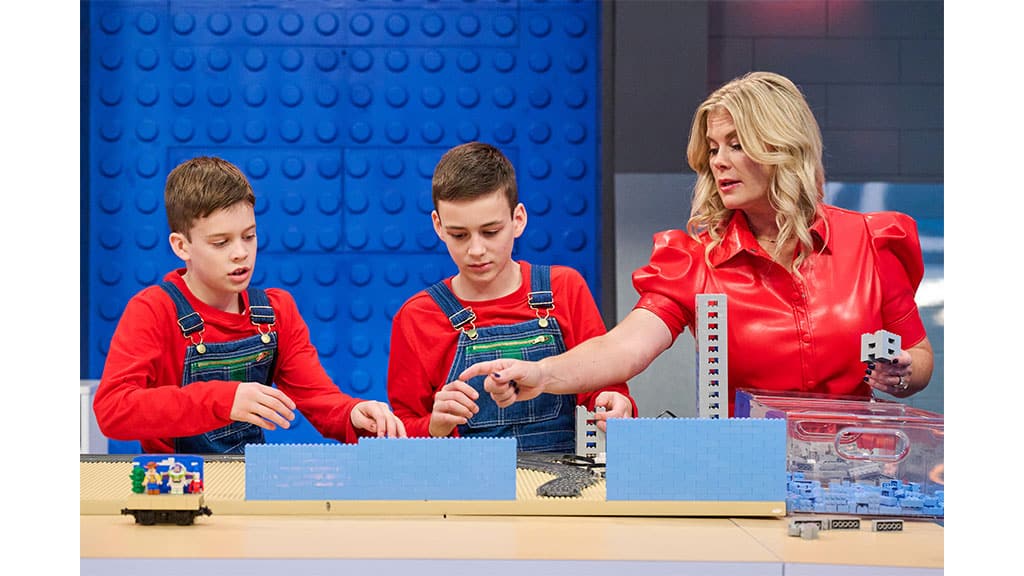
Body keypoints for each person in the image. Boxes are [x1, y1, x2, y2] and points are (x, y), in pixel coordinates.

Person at [459, 71, 934, 413]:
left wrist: (903, 372)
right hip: (751, 471)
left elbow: (920, 359)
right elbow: (624, 348)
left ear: (782, 147)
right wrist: (544, 374)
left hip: (858, 467)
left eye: (736, 144)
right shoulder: (695, 261)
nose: (719, 161)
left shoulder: (871, 241)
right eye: (713, 147)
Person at [93, 156, 406, 454]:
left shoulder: (275, 311)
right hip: (179, 483)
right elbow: (113, 409)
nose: (240, 253)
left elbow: (318, 398)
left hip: (247, 478)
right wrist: (224, 400)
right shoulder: (154, 310)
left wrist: (353, 413)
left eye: (249, 236)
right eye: (221, 243)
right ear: (181, 246)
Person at [386, 142, 637, 452]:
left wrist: (615, 402)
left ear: (518, 219)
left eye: (491, 231)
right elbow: (402, 436)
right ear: (438, 225)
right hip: (470, 482)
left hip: (567, 478)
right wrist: (433, 427)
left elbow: (604, 384)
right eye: (459, 235)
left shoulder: (565, 289)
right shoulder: (417, 317)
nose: (476, 250)